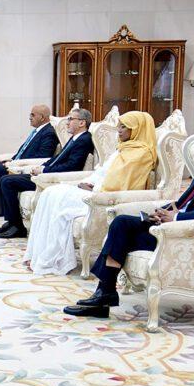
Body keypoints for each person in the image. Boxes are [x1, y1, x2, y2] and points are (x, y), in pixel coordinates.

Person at [64, 134, 194, 318]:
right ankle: (104, 292)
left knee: (121, 236)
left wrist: (178, 218)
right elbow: (186, 198)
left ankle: (104, 295)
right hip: (170, 225)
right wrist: (163, 211)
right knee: (121, 223)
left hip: (188, 235)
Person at [24, 111, 158, 276]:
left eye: (124, 127)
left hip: (103, 197)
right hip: (94, 189)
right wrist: (88, 182)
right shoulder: (123, 148)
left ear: (137, 129)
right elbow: (102, 172)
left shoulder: (142, 153)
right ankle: (39, 255)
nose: (119, 130)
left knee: (57, 198)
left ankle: (53, 258)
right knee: (49, 193)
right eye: (119, 126)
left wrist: (94, 189)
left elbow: (122, 183)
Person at [0, 108, 95, 239]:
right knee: (6, 179)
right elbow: (57, 158)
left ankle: (17, 227)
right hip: (45, 174)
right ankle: (11, 222)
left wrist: (44, 171)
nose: (67, 122)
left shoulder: (84, 140)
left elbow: (72, 166)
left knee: (8, 181)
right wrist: (41, 167)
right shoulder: (75, 138)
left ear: (82, 123)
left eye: (70, 119)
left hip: (53, 179)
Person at [0, 105, 59, 218]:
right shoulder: (38, 131)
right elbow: (24, 150)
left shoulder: (49, 133)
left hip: (22, 167)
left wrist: (15, 163)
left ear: (42, 117)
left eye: (32, 115)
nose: (30, 117)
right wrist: (13, 159)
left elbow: (42, 156)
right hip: (16, 162)